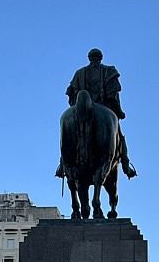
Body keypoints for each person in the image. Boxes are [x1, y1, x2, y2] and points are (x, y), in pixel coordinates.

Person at [56, 49, 137, 179]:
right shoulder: (109, 71)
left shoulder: (79, 73)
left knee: (67, 138)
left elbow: (72, 98)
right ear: (101, 58)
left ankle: (62, 164)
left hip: (80, 112)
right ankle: (126, 165)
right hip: (104, 108)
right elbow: (113, 96)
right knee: (120, 137)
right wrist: (119, 111)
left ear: (89, 58)